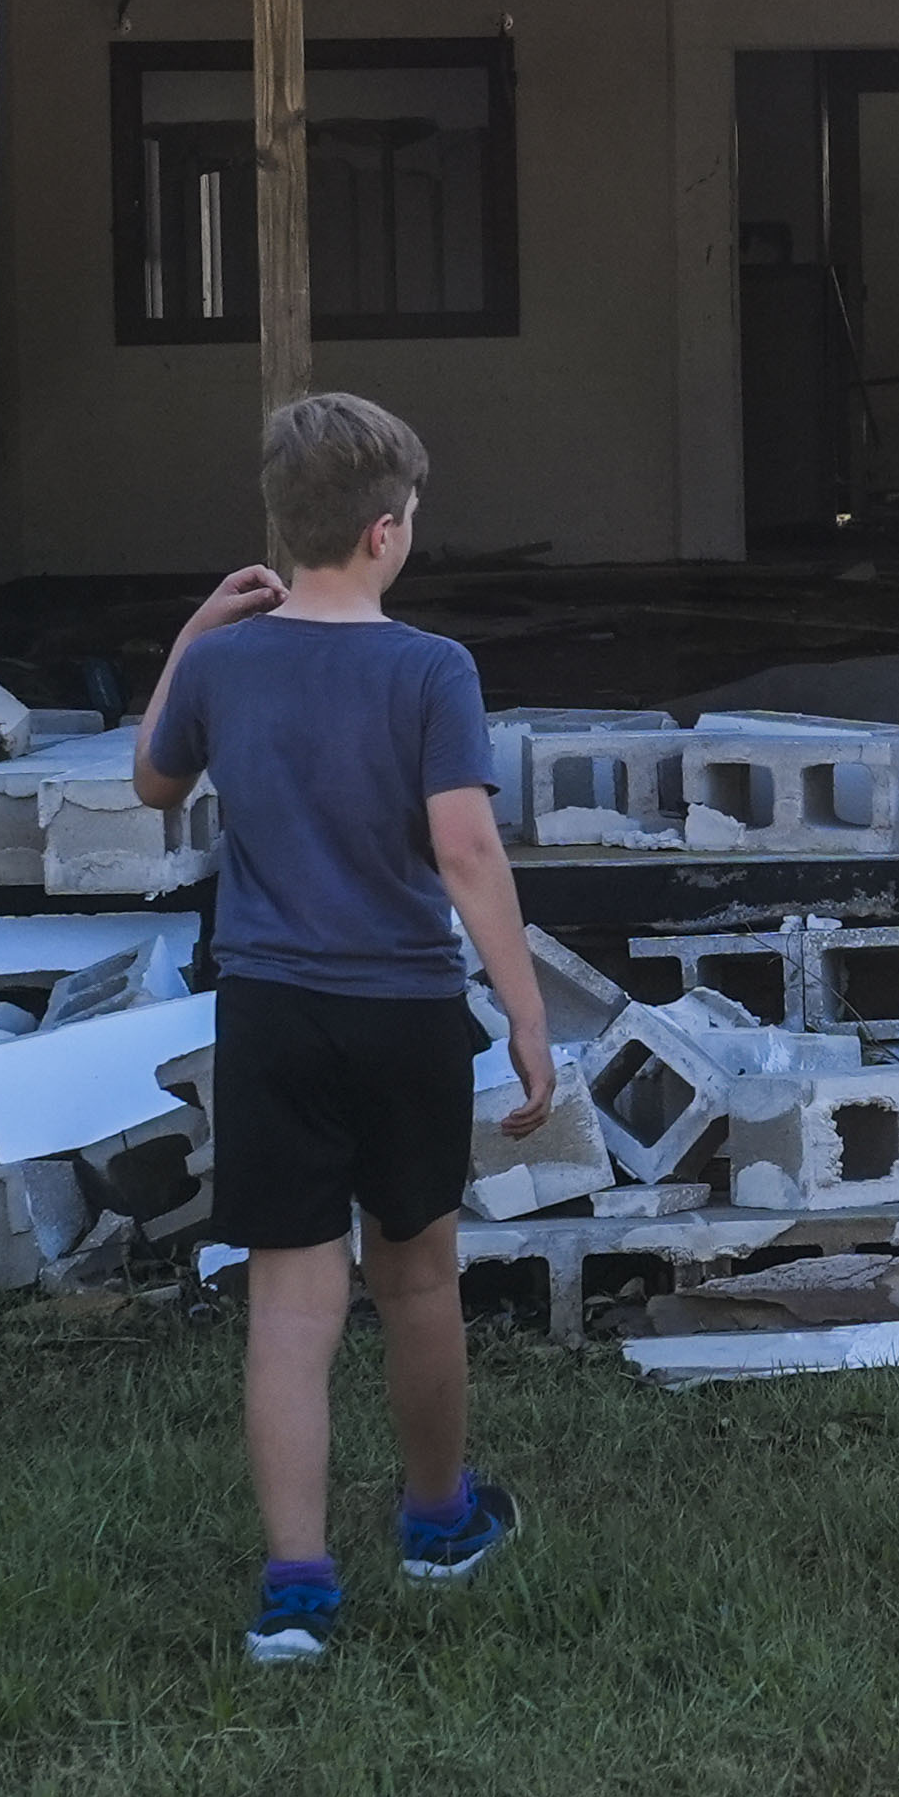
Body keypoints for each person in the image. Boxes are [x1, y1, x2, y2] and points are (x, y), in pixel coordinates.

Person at [132, 391, 563, 1669]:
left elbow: (154, 779)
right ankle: (440, 1524)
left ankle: (298, 1588)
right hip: (406, 1011)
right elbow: (468, 847)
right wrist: (527, 1014)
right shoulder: (433, 668)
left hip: (271, 1012)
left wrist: (190, 633)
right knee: (419, 1275)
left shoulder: (222, 661)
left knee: (289, 1300)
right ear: (384, 533)